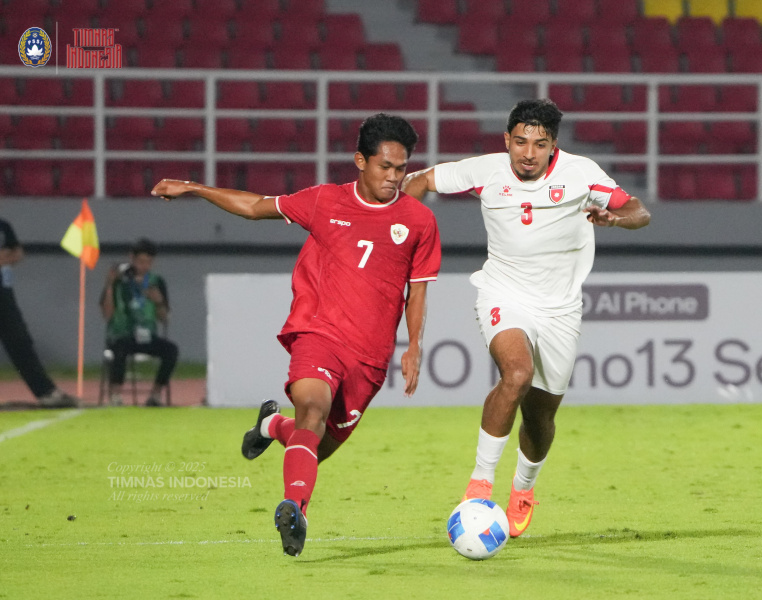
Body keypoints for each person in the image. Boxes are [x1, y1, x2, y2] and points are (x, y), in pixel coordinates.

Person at [150, 113, 442, 557]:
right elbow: (253, 207)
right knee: (312, 408)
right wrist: (195, 188)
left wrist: (414, 346)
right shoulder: (324, 201)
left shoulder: (419, 221)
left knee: (317, 445)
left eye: (402, 169)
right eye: (385, 167)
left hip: (371, 357)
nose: (394, 177)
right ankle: (295, 511)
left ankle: (270, 424)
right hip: (319, 334)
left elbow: (416, 293)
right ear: (360, 161)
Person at [401, 99, 651, 538]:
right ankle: (480, 482)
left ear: (553, 146)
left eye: (539, 144)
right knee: (516, 374)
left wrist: (614, 218)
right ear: (507, 140)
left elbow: (638, 210)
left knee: (540, 416)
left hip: (560, 308)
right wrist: (399, 228)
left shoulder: (580, 173)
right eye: (520, 142)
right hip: (503, 293)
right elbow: (421, 180)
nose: (527, 153)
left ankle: (523, 488)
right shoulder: (488, 171)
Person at [0, 218, 80, 408]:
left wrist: (7, 258)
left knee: (20, 341)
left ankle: (46, 392)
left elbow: (18, 254)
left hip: (4, 295)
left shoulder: (3, 227)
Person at [99, 238, 179, 407]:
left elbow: (164, 319)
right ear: (132, 258)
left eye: (149, 262)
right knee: (119, 349)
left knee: (171, 350)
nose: (144, 266)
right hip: (122, 334)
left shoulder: (156, 282)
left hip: (146, 336)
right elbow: (107, 314)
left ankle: (155, 396)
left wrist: (158, 301)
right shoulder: (119, 280)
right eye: (141, 261)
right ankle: (115, 397)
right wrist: (109, 285)